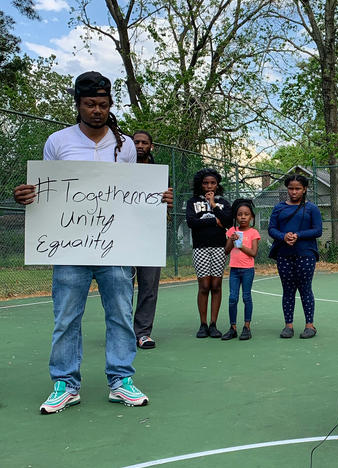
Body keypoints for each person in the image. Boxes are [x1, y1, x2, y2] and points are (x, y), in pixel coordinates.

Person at [12, 71, 173, 414]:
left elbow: (133, 194)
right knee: (66, 317)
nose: (97, 110)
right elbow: (45, 191)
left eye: (103, 104)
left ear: (110, 104)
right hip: (70, 248)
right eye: (90, 104)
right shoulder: (58, 142)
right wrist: (25, 194)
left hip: (115, 247)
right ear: (78, 104)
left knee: (119, 314)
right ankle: (65, 384)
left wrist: (157, 198)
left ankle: (120, 380)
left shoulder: (126, 145)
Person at [267, 174, 322, 339]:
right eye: (291, 188)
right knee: (288, 290)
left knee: (305, 289)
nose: (294, 191)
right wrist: (283, 236)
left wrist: (298, 235)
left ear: (304, 189)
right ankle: (288, 326)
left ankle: (309, 326)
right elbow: (272, 229)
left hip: (306, 254)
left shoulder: (312, 208)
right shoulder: (279, 208)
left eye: (298, 188)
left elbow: (317, 230)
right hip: (284, 254)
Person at [186, 168, 232, 338]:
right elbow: (192, 222)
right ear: (201, 184)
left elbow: (227, 221)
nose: (209, 186)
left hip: (219, 247)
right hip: (200, 248)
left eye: (212, 183)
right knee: (204, 286)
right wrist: (214, 220)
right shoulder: (192, 202)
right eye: (206, 183)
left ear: (217, 184)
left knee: (216, 285)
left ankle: (213, 324)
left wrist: (213, 206)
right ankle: (203, 324)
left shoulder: (223, 203)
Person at [132, 130, 160, 349]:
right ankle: (122, 332)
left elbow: (163, 205)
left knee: (148, 286)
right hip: (121, 236)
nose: (140, 145)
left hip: (151, 237)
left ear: (151, 146)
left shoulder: (159, 174)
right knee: (121, 287)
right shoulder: (118, 169)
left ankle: (142, 332)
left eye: (144, 142)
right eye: (136, 142)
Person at [222, 199, 260, 341]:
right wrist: (232, 240)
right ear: (235, 217)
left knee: (246, 297)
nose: (243, 217)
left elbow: (254, 253)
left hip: (247, 270)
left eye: (246, 214)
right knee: (232, 298)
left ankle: (247, 327)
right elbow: (226, 250)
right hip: (234, 271)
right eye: (239, 214)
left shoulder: (253, 232)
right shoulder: (232, 231)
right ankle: (233, 328)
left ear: (251, 217)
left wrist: (240, 245)